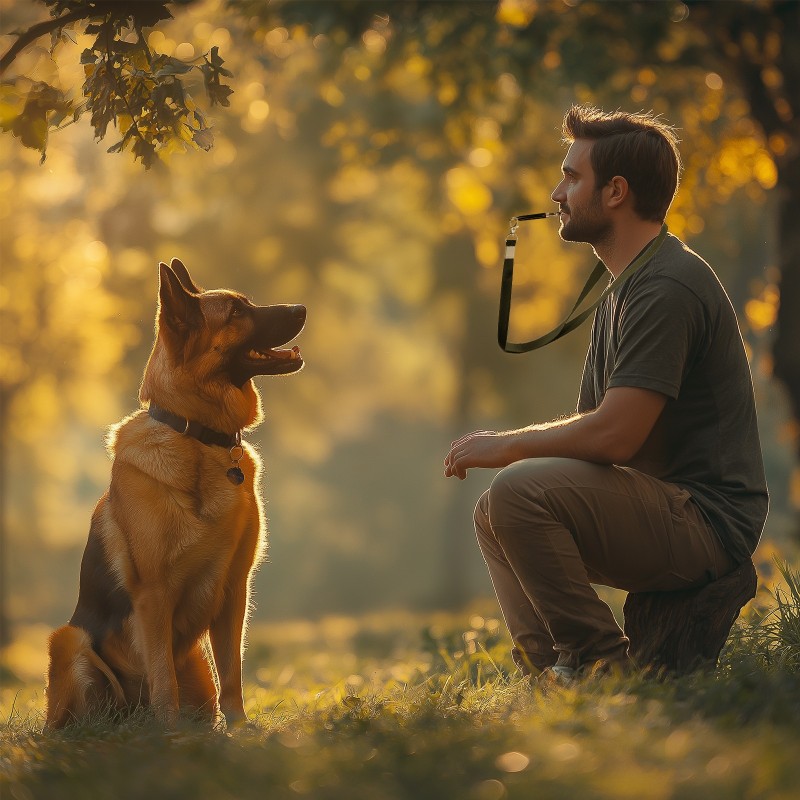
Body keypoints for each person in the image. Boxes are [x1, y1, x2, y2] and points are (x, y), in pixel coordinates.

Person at [443, 105, 769, 682]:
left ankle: (599, 666)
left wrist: (508, 446)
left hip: (707, 522)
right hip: (660, 506)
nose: (557, 192)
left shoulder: (666, 285)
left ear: (615, 192)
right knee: (495, 508)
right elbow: (597, 429)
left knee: (518, 491)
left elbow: (616, 434)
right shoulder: (626, 286)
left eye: (572, 177)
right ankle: (549, 675)